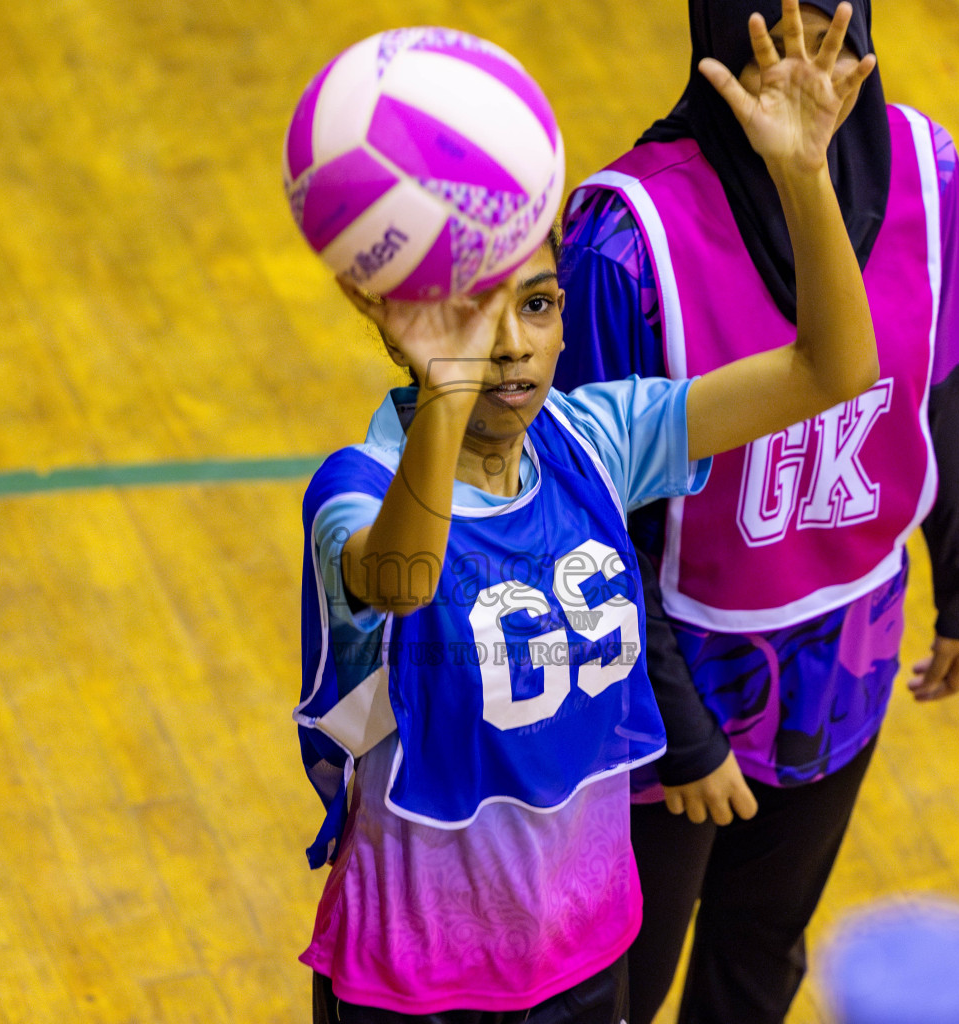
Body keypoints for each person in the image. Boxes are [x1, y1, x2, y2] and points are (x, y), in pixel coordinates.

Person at [293, 7, 880, 1019]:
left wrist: (802, 174)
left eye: (538, 304)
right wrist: (447, 388)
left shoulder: (600, 440)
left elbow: (832, 370)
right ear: (403, 334)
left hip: (583, 956)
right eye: (477, 311)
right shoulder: (357, 487)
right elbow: (401, 580)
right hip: (414, 982)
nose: (511, 344)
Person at [551, 1, 959, 1021]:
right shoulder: (623, 240)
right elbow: (588, 524)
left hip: (846, 654)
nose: (803, 63)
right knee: (615, 991)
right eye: (771, 37)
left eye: (829, 31)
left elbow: (954, 373)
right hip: (661, 689)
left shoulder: (928, 170)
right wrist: (683, 732)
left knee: (759, 957)